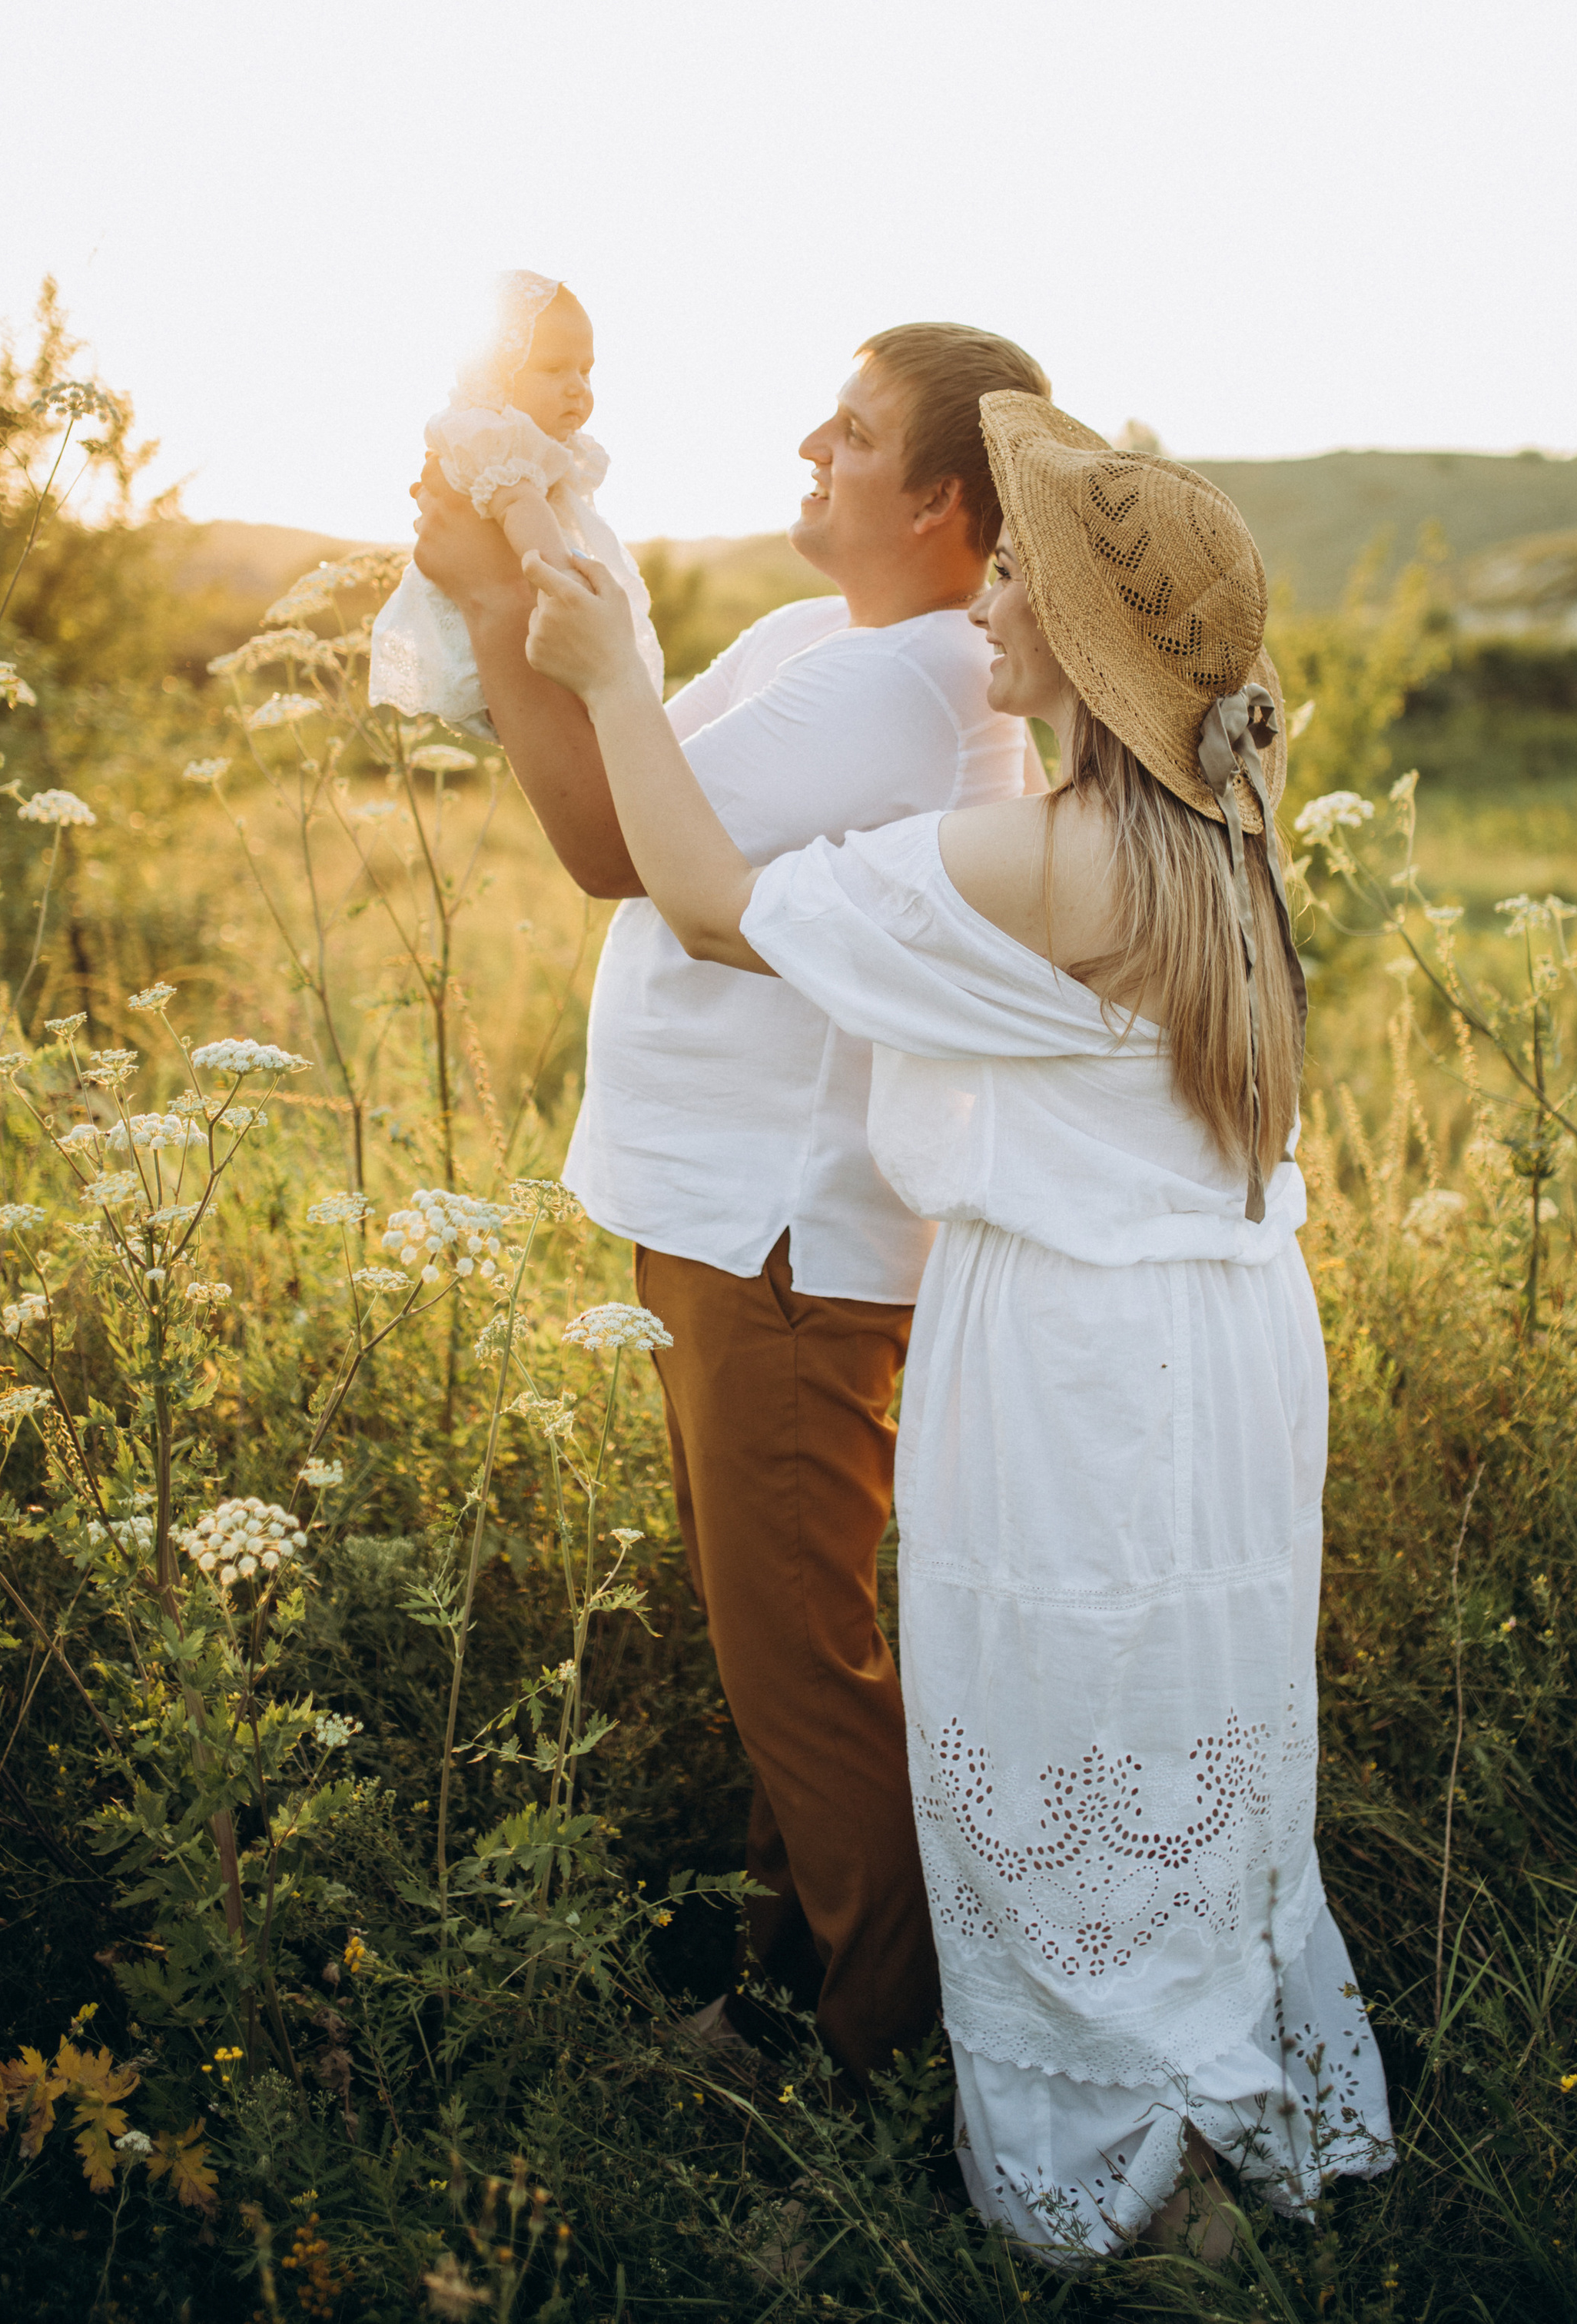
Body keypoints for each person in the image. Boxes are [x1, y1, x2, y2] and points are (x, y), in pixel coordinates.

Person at [517, 393, 1396, 2259]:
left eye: (1015, 575)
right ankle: (1199, 2113)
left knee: (1048, 1727)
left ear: (1074, 640)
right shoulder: (1203, 840)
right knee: (1175, 1724)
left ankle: (1127, 2195)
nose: (982, 597)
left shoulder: (1046, 862)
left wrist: (605, 667)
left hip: (1073, 1356)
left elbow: (699, 894)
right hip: (1219, 1344)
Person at [407, 323, 1052, 2084]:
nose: (806, 446)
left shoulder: (912, 681)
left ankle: (891, 2063)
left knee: (803, 1668)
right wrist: (519, 550)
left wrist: (492, 605)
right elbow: (598, 753)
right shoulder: (806, 640)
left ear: (938, 499)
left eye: (846, 433)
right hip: (715, 1217)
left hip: (784, 1233)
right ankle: (781, 2007)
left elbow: (620, 849)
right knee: (774, 1648)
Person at [370, 273, 660, 739]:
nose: (576, 388)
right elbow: (522, 509)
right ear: (496, 375)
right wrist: (567, 588)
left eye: (585, 371)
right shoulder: (492, 439)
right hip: (515, 616)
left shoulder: (532, 446)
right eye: (552, 370)